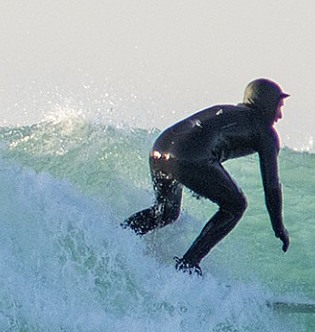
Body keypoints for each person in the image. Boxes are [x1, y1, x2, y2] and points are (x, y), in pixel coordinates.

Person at [122, 78, 290, 271]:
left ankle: (119, 234)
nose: (280, 115)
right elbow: (271, 186)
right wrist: (278, 227)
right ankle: (189, 264)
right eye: (278, 107)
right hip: (189, 157)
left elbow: (201, 139)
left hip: (159, 149)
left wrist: (201, 183)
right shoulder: (265, 132)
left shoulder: (226, 111)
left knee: (167, 212)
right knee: (236, 205)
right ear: (266, 104)